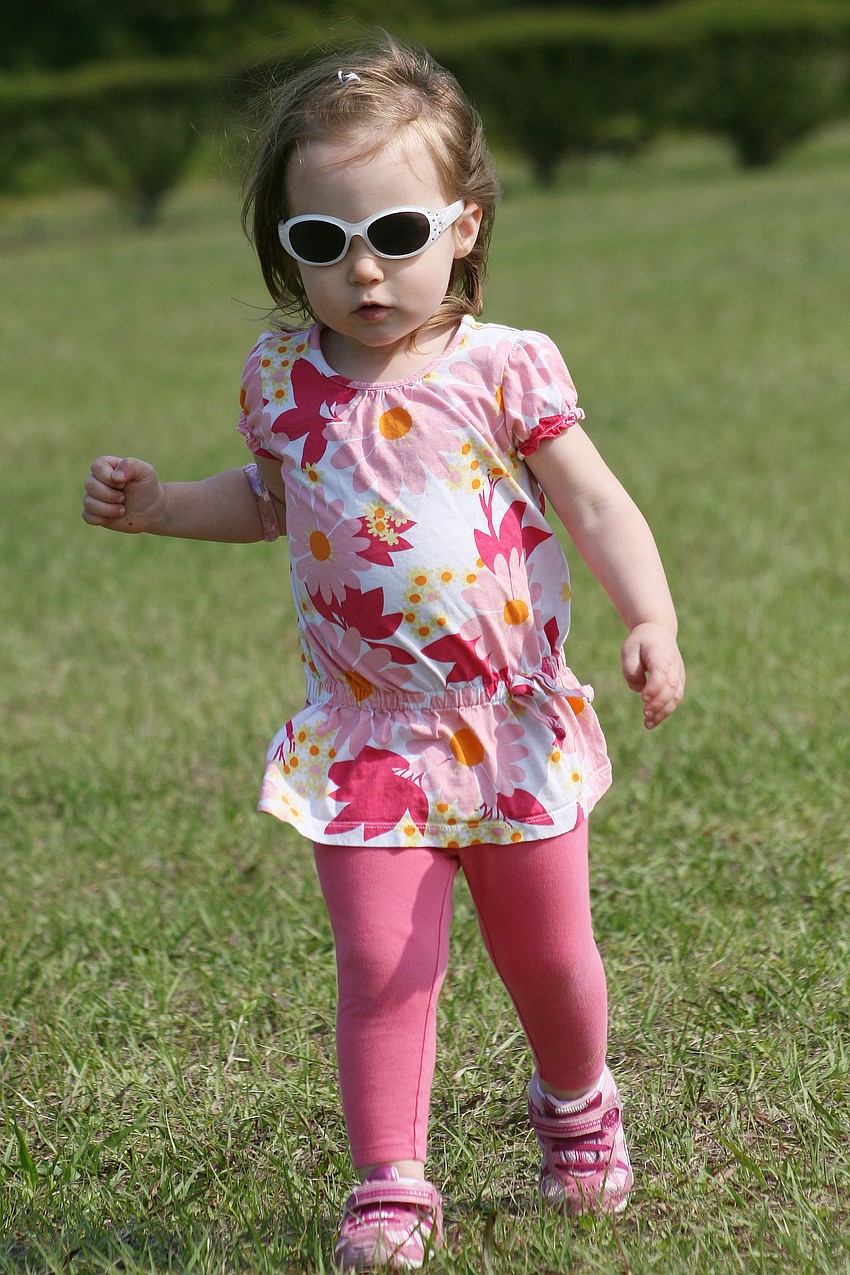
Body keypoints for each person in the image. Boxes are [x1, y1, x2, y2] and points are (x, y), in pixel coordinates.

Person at [82, 33, 685, 1271]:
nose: (362, 269)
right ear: (285, 249)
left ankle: (577, 1103)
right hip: (366, 734)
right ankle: (391, 1184)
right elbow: (267, 500)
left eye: (396, 234)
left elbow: (596, 503)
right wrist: (161, 506)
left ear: (463, 228)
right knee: (379, 963)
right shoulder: (281, 379)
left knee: (547, 955)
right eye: (322, 241)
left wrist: (650, 618)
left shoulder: (503, 368)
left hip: (506, 723)